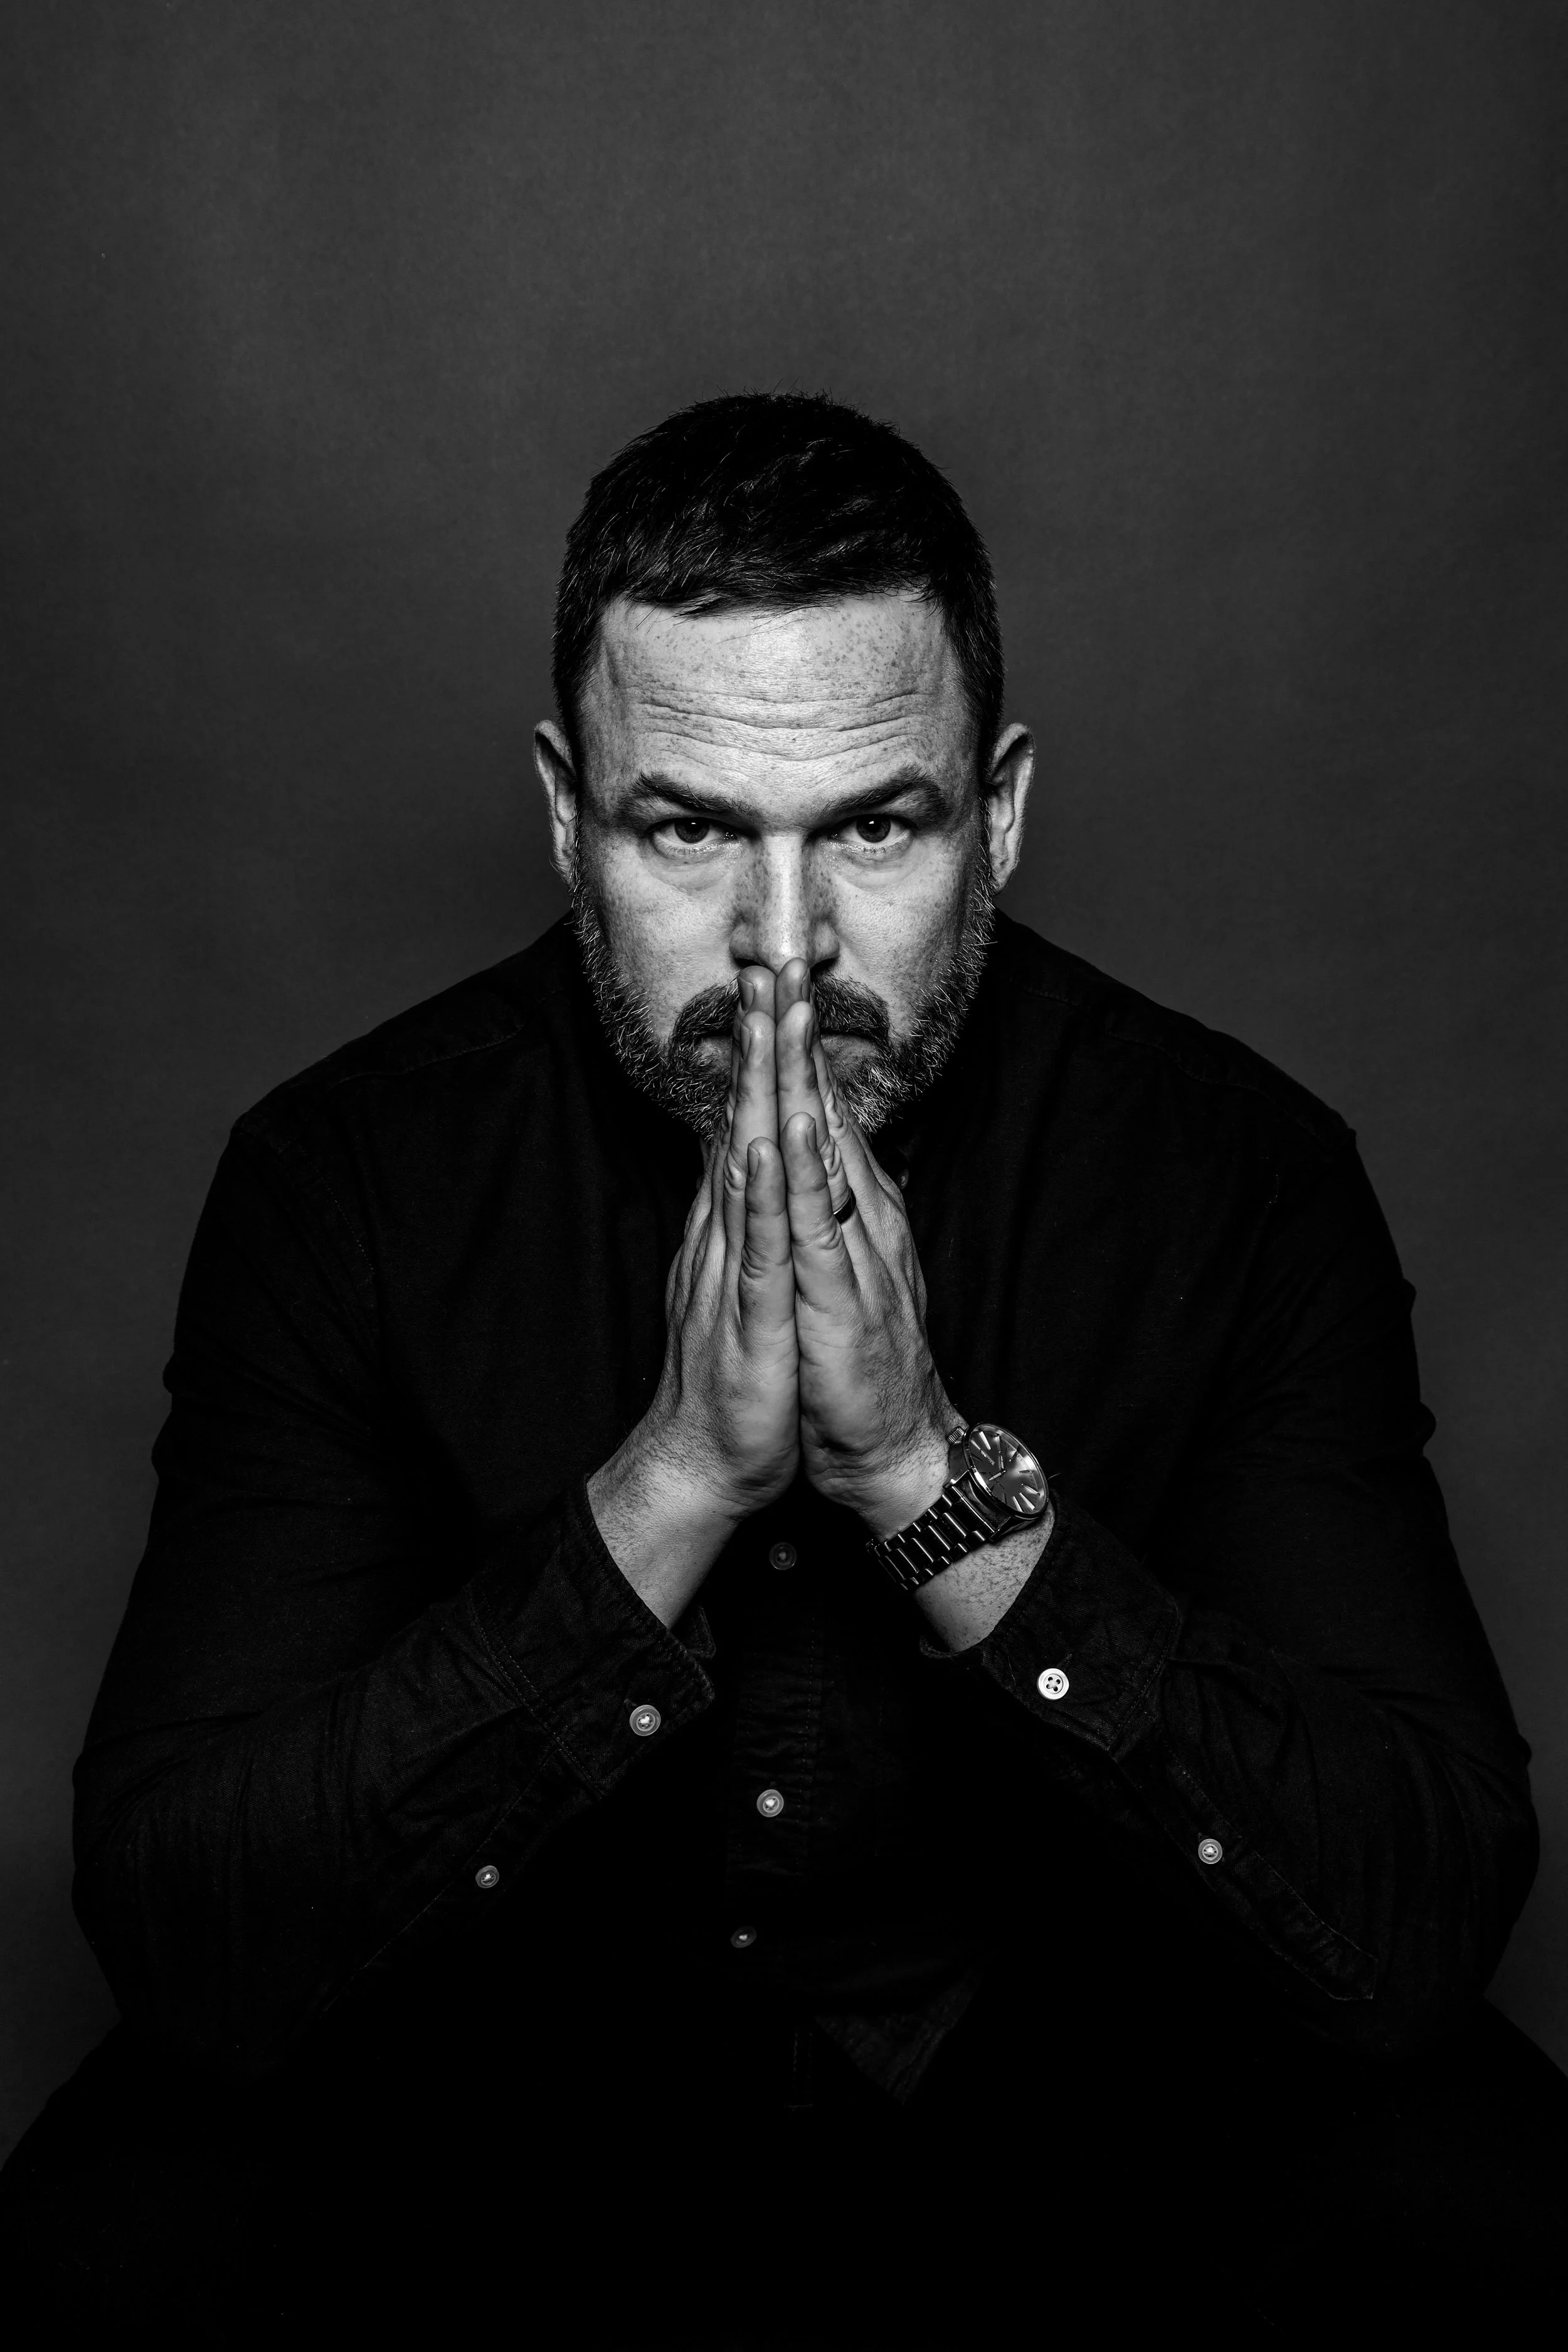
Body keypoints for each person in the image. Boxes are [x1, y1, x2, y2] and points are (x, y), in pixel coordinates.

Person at [3, 392, 1563, 2343]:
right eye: (688, 829)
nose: (782, 948)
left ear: (991, 812)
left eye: (875, 825)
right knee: (97, 2247)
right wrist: (670, 1483)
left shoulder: (1231, 1175)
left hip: (1084, 2097)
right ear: (570, 814)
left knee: (1500, 2216)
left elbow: (1412, 1916)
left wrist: (925, 1476)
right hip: (517, 2096)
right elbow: (192, 1945)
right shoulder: (352, 1183)